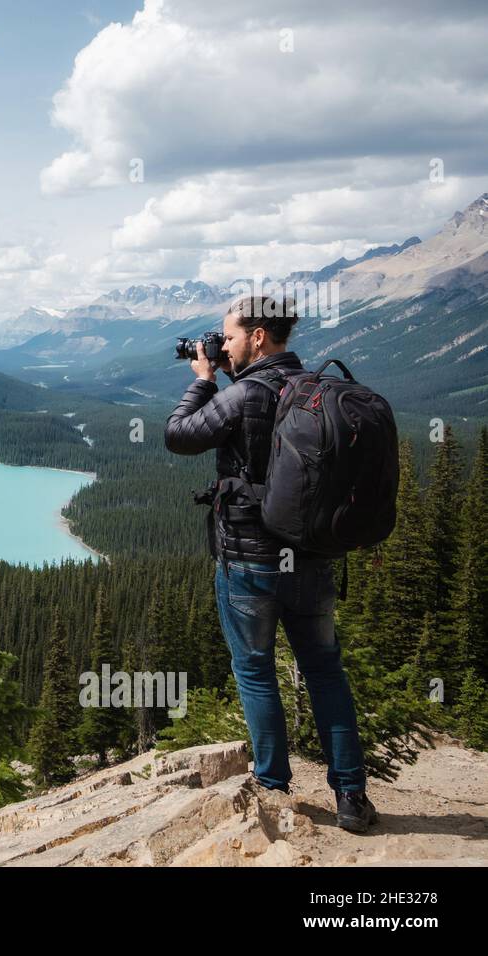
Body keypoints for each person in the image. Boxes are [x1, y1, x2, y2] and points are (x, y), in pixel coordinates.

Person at [163, 295, 378, 834]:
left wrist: (202, 377)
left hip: (248, 564)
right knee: (326, 672)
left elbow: (178, 434)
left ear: (259, 335)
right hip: (313, 562)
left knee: (256, 672)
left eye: (229, 335)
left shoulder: (244, 395)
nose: (222, 344)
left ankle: (273, 786)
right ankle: (351, 796)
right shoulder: (312, 390)